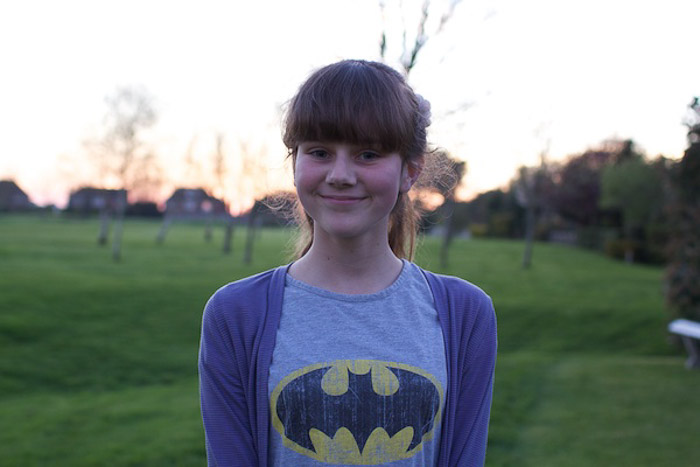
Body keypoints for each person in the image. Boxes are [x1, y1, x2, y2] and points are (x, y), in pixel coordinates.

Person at [198, 59, 497, 467]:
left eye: (368, 154)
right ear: (295, 163)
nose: (340, 174)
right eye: (320, 152)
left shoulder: (464, 314)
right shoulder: (236, 314)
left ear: (410, 171)